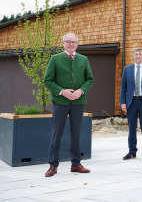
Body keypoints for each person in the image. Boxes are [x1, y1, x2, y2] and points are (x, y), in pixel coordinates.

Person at [44, 33, 95, 177]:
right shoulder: (55, 59)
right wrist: (61, 91)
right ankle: (53, 165)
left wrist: (81, 91)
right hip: (60, 102)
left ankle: (76, 164)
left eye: (73, 42)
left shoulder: (83, 59)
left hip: (78, 102)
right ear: (63, 43)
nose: (71, 44)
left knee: (76, 134)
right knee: (56, 134)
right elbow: (48, 80)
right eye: (68, 41)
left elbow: (90, 80)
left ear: (77, 44)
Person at [120, 48, 142, 161]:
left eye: (140, 54)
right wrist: (123, 102)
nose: (138, 55)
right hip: (131, 102)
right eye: (136, 54)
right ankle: (132, 152)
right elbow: (123, 87)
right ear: (134, 56)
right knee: (132, 128)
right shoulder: (127, 69)